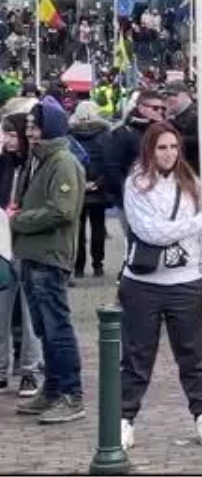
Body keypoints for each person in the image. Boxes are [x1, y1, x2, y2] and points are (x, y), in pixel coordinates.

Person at [118, 122, 202, 449]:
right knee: (137, 356)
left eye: (173, 147)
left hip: (186, 281)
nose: (169, 154)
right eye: (162, 147)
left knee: (192, 355)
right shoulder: (136, 183)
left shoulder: (191, 182)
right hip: (143, 282)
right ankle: (124, 419)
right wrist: (197, 222)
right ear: (150, 148)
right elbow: (150, 231)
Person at [11, 101, 86, 424]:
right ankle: (53, 389)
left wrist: (19, 220)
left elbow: (62, 210)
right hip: (32, 254)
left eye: (35, 127)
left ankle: (71, 394)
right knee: (43, 329)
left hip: (49, 256)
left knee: (57, 328)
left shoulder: (62, 162)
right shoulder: (36, 161)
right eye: (27, 127)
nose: (29, 133)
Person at [0, 112, 40, 397]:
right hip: (2, 243)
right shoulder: (3, 164)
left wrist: (20, 215)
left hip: (26, 243)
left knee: (28, 312)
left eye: (12, 134)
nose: (8, 140)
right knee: (2, 309)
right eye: (5, 134)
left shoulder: (32, 165)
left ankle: (30, 369)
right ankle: (2, 367)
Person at [69, 101, 110, 278]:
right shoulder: (106, 135)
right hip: (98, 187)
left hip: (76, 186)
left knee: (77, 230)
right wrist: (99, 182)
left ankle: (78, 267)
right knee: (98, 227)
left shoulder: (69, 135)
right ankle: (98, 265)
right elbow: (109, 162)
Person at [104, 89, 165, 207]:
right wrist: (125, 194)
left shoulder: (162, 130)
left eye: (163, 108)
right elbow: (112, 167)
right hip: (133, 196)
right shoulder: (123, 133)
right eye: (155, 108)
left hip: (159, 195)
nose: (160, 112)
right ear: (141, 108)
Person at [162, 81, 199, 171]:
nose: (168, 99)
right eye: (166, 96)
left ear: (184, 96)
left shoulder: (197, 115)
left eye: (172, 95)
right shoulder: (178, 116)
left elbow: (201, 140)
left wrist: (174, 139)